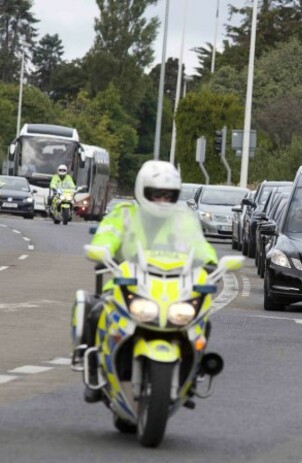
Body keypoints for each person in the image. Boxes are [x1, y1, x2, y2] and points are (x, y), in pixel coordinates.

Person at [77, 160, 218, 402]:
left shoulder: (182, 221)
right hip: (128, 283)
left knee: (201, 320)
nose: (162, 200)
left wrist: (211, 262)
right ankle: (93, 371)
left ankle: (193, 375)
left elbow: (200, 246)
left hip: (173, 288)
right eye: (156, 194)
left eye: (168, 195)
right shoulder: (124, 215)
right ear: (142, 191)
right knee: (94, 310)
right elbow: (106, 237)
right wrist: (101, 250)